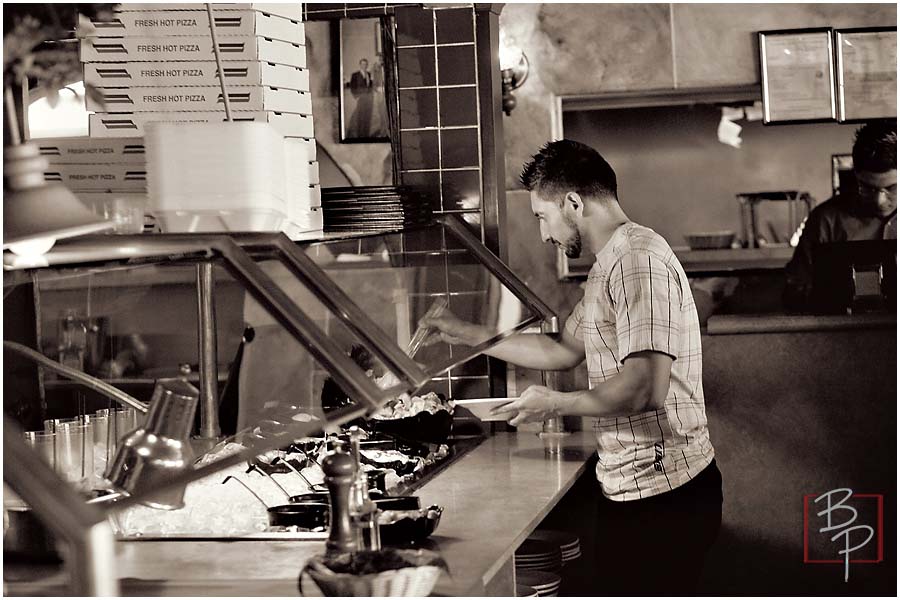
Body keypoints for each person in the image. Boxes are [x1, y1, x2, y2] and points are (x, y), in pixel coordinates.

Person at [421, 139, 723, 595]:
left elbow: (645, 389)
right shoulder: (610, 265)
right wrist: (465, 332)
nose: (543, 234)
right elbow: (563, 349)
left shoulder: (638, 261)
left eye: (542, 215)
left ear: (574, 203)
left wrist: (554, 403)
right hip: (633, 487)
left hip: (666, 496)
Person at [784, 121, 897, 311]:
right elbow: (793, 293)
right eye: (867, 188)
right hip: (841, 336)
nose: (879, 200)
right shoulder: (826, 220)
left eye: (892, 188)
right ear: (855, 175)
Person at [346, 58, 374, 138]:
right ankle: (360, 136)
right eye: (362, 64)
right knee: (360, 118)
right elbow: (352, 87)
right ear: (360, 65)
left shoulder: (368, 74)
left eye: (365, 64)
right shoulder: (355, 75)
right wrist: (356, 97)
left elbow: (370, 86)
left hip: (369, 100)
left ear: (367, 65)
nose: (364, 66)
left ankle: (366, 135)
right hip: (360, 100)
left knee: (367, 118)